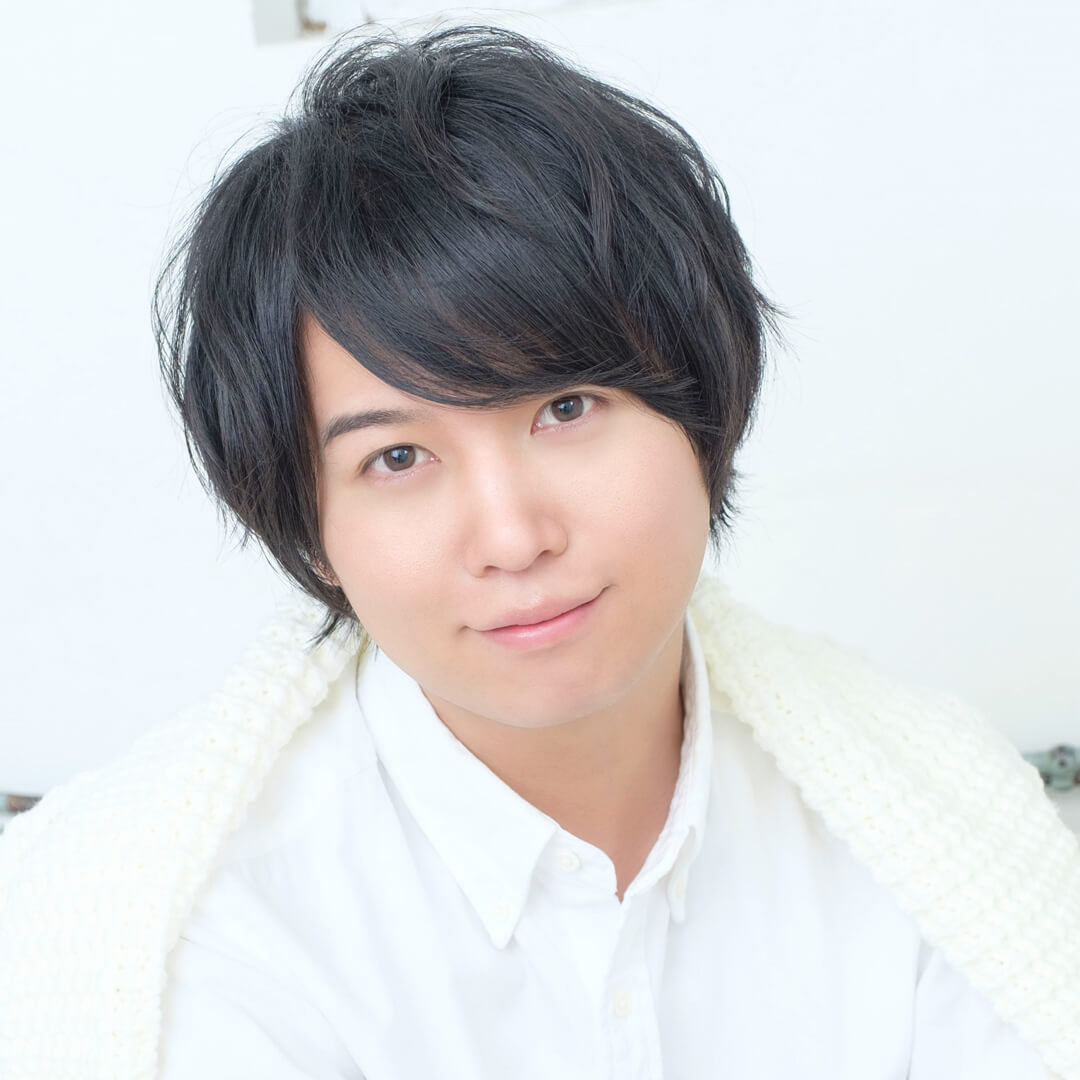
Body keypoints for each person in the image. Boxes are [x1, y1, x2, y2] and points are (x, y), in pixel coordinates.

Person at [1, 23, 1077, 1080]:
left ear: (701, 406)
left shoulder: (936, 823)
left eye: (566, 407)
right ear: (308, 525)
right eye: (397, 458)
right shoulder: (177, 940)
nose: (514, 538)